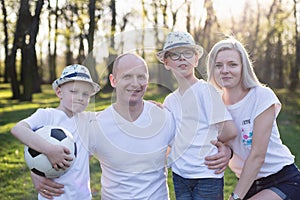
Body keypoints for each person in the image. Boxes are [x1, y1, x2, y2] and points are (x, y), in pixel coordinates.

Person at [206, 36, 300, 200]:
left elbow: (257, 155)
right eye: (218, 65)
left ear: (244, 67)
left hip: (282, 179)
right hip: (248, 183)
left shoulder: (261, 96)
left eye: (232, 64)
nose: (225, 70)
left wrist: (235, 197)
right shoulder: (213, 104)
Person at [75, 53, 177, 199]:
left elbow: (190, 152)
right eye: (127, 76)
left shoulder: (164, 117)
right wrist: (39, 175)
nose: (135, 83)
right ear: (113, 80)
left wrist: (222, 149)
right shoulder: (97, 124)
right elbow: (71, 163)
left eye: (141, 77)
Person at [156, 31, 238, 200]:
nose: (181, 58)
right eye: (174, 54)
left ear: (196, 59)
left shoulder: (205, 91)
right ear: (166, 62)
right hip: (180, 175)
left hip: (206, 174)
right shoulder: (170, 100)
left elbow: (229, 130)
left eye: (187, 53)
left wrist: (219, 146)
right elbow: (171, 136)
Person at [11, 64, 100, 200]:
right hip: (54, 197)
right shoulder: (47, 115)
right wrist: (49, 150)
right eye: (74, 91)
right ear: (59, 92)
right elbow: (18, 129)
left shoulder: (87, 120)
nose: (81, 97)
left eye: (85, 94)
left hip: (82, 196)